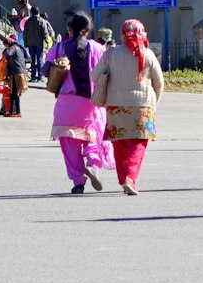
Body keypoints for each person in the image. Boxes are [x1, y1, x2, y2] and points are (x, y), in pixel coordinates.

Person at [91, 18, 164, 195]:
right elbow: (159, 83)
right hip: (143, 106)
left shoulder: (110, 54)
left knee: (120, 143)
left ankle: (124, 178)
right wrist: (154, 103)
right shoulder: (148, 54)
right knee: (139, 143)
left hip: (116, 106)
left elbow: (94, 76)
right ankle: (130, 178)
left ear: (123, 35)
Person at [45, 11, 112, 195]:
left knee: (69, 144)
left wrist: (56, 67)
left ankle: (77, 182)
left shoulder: (58, 48)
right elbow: (107, 72)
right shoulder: (98, 48)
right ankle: (92, 162)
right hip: (92, 103)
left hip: (66, 104)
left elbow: (45, 71)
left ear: (69, 29)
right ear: (88, 31)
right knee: (93, 137)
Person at [24, 6, 55, 82]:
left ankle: (33, 76)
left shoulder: (28, 21)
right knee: (40, 59)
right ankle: (40, 76)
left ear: (31, 12)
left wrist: (25, 42)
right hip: (39, 43)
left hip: (30, 43)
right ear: (38, 12)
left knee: (32, 59)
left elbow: (25, 33)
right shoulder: (41, 21)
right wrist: (47, 42)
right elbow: (45, 32)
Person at [0, 35, 28, 116]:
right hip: (16, 72)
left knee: (15, 93)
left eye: (5, 45)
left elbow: (7, 53)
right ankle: (13, 111)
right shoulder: (17, 47)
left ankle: (16, 112)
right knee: (13, 93)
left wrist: (5, 51)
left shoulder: (14, 47)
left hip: (17, 73)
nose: (5, 47)